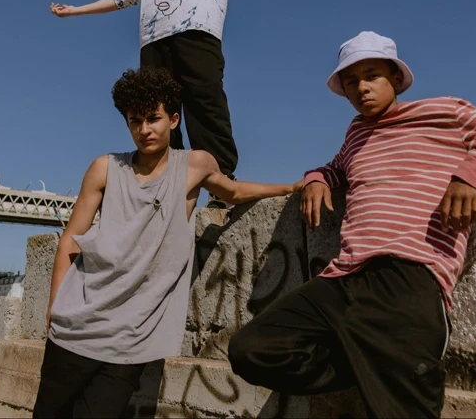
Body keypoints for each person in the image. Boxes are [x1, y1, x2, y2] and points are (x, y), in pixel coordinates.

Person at [227, 31, 476, 418]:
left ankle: (380, 369)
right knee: (251, 350)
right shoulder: (356, 133)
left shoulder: (446, 113)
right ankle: (363, 362)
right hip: (342, 279)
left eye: (373, 76)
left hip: (409, 278)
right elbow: (336, 167)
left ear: (395, 79)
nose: (362, 87)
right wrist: (316, 177)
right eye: (352, 81)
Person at [32, 66, 302, 418]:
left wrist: (291, 188)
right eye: (135, 121)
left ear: (173, 120)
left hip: (133, 335)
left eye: (153, 118)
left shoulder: (194, 165)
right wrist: (55, 306)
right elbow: (71, 238)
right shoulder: (105, 168)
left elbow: (234, 192)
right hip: (78, 325)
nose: (144, 129)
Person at [50, 0, 336, 207]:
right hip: (154, 42)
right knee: (157, 112)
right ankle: (164, 186)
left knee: (206, 105)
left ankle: (221, 184)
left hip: (199, 36)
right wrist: (76, 10)